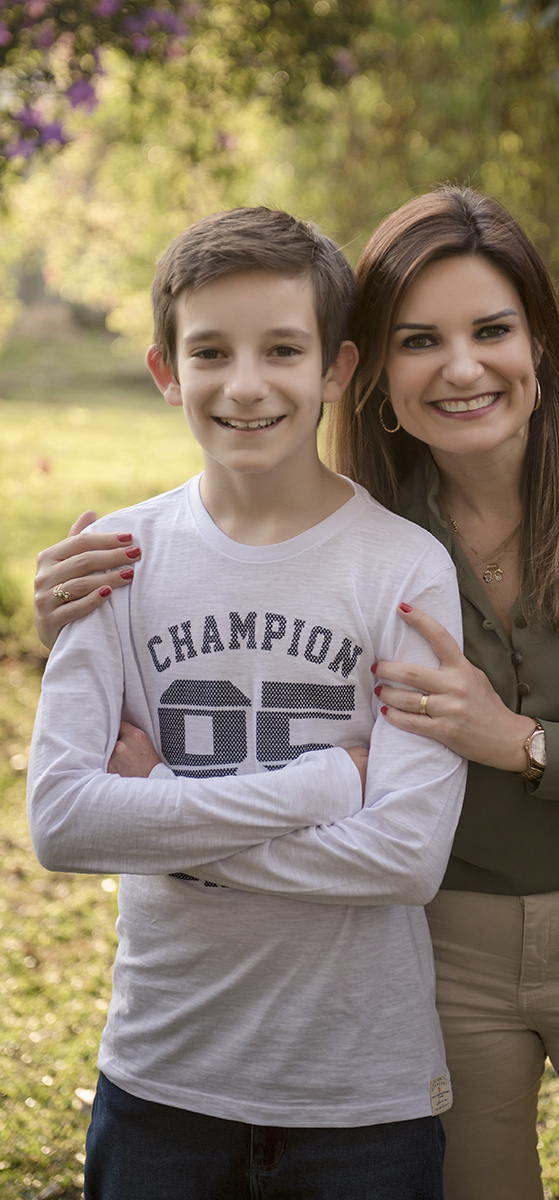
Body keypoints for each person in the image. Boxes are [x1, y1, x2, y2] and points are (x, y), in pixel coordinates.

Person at [33, 188, 559, 1200]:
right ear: (372, 371)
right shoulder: (367, 527)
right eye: (419, 339)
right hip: (443, 952)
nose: (462, 367)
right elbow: (85, 798)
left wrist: (524, 742)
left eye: (492, 330)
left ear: (541, 342)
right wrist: (95, 642)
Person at [27, 205, 467, 1200]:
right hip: (163, 1077)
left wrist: (153, 808)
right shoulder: (115, 563)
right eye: (210, 352)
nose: (246, 384)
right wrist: (321, 784)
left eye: (282, 349)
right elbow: (60, 823)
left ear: (336, 370)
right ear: (164, 372)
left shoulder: (402, 567)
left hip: (360, 1092)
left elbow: (404, 858)